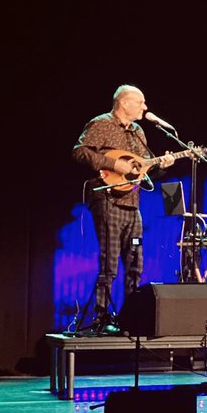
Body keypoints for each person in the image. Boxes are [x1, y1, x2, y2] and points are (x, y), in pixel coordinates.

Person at [72, 85, 175, 330]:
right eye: (141, 103)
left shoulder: (138, 132)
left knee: (135, 263)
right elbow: (80, 151)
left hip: (132, 203)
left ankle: (131, 317)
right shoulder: (101, 124)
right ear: (125, 103)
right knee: (109, 264)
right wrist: (113, 164)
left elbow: (143, 170)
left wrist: (165, 164)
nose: (145, 108)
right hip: (108, 199)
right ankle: (101, 317)